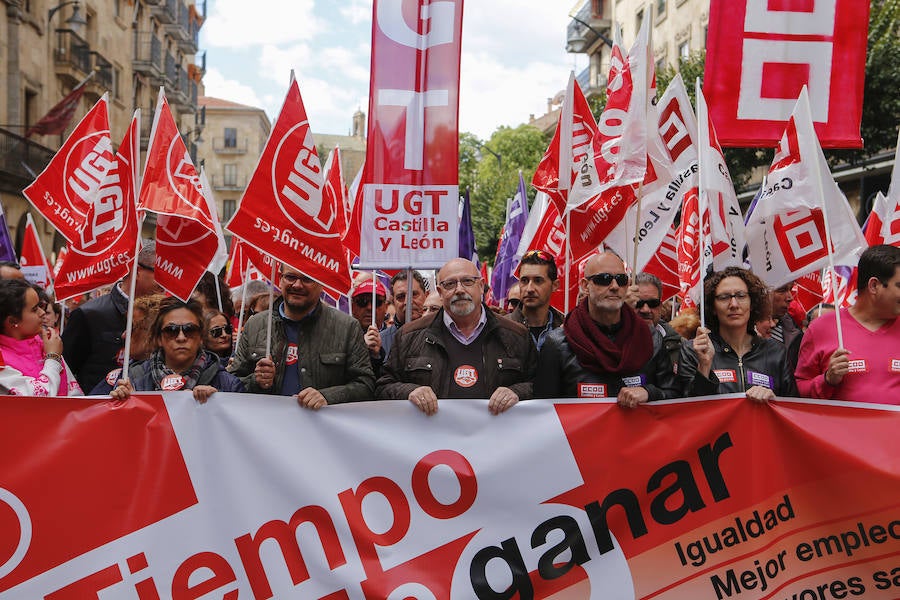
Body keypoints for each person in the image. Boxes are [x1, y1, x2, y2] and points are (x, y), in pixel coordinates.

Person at [377, 258, 536, 415]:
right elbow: (383, 387)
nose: (459, 289)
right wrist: (409, 391)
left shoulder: (517, 335)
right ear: (440, 292)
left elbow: (540, 386)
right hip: (432, 438)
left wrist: (517, 392)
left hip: (496, 438)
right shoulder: (408, 336)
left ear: (481, 286)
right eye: (450, 284)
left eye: (467, 281)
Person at [535, 251, 679, 405]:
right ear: (585, 286)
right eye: (604, 279)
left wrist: (649, 392)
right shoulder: (559, 344)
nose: (615, 286)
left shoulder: (650, 339)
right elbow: (543, 411)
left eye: (621, 279)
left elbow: (675, 397)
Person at [229, 264, 375, 409]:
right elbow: (230, 383)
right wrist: (256, 381)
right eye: (290, 277)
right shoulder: (255, 325)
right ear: (280, 279)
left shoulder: (347, 327)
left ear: (321, 283)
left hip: (321, 429)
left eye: (307, 279)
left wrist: (328, 396)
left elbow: (366, 385)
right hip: (267, 427)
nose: (297, 285)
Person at [795, 245, 900, 403]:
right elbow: (798, 391)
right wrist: (828, 380)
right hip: (836, 428)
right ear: (874, 286)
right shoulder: (821, 328)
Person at [678, 267, 797, 402]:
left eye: (741, 296)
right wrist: (704, 367)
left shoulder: (776, 352)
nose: (734, 304)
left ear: (752, 303)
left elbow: (793, 411)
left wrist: (774, 401)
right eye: (724, 297)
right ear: (713, 307)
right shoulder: (693, 350)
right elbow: (688, 413)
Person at [92, 298, 243, 402]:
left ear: (201, 337)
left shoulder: (227, 384)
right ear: (158, 338)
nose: (181, 337)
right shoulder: (129, 379)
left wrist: (219, 404)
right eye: (171, 330)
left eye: (189, 330)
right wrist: (118, 404)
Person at [62, 241, 162, 392]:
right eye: (160, 274)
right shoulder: (90, 314)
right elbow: (66, 371)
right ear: (137, 271)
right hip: (97, 408)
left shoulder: (167, 314)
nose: (167, 282)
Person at [0, 279, 82, 395]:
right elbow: (39, 399)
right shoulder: (1, 360)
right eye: (34, 310)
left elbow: (74, 394)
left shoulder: (46, 344)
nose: (42, 312)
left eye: (40, 306)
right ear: (13, 321)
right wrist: (53, 357)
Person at [505, 250, 563, 350]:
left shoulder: (568, 330)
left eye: (538, 281)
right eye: (524, 281)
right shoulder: (502, 328)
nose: (530, 289)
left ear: (555, 285)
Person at [633, 272, 682, 368]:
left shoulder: (680, 346)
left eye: (652, 303)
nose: (645, 310)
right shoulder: (612, 344)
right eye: (638, 303)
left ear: (660, 306)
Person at [380, 270, 429, 358]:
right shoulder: (381, 342)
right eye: (401, 297)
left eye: (413, 294)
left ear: (426, 295)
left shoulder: (441, 336)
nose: (407, 302)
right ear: (393, 302)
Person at [349, 279, 390, 377]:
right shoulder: (341, 336)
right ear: (352, 306)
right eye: (362, 302)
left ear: (386, 307)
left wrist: (377, 355)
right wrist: (361, 348)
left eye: (377, 302)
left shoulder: (398, 337)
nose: (370, 307)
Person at [769, 280, 803, 372]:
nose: (790, 298)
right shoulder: (737, 330)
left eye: (790, 290)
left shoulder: (795, 334)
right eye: (782, 290)